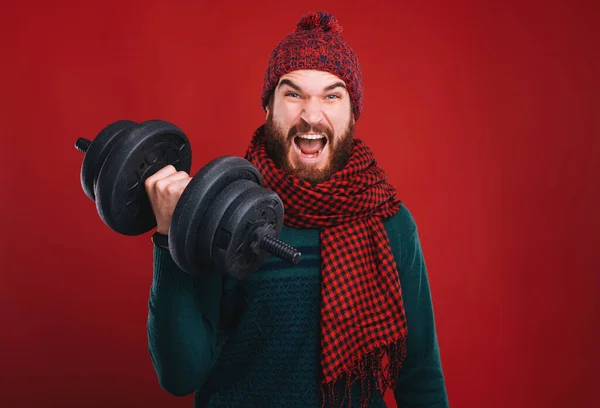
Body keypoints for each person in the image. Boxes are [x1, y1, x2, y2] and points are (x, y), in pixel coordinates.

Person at [144, 11, 449, 408]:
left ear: (352, 114)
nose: (310, 114)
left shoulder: (391, 225)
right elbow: (180, 374)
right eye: (293, 94)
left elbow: (420, 374)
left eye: (331, 95)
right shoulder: (220, 212)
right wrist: (171, 236)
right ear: (267, 108)